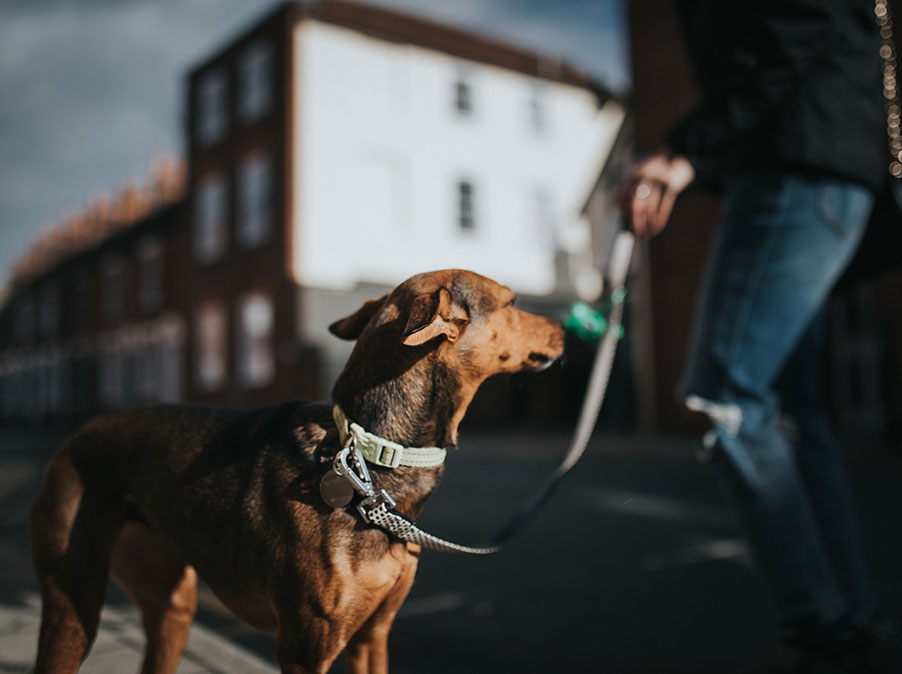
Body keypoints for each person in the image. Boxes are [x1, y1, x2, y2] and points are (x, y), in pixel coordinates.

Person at [618, 1, 889, 671]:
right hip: (817, 165)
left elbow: (797, 32)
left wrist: (683, 151)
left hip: (796, 169)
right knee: (793, 413)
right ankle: (846, 614)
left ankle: (819, 621)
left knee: (728, 397)